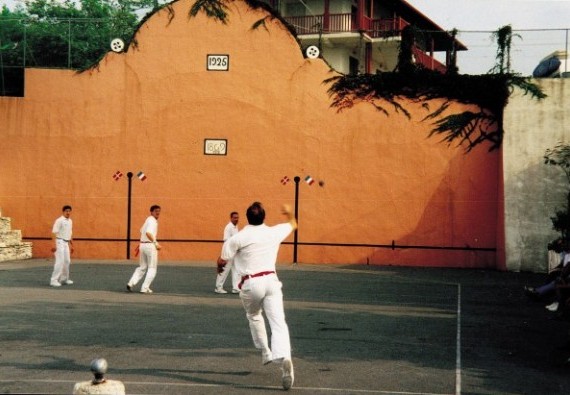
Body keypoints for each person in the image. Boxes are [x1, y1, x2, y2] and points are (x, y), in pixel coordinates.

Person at [217, 201, 297, 390]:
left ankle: (265, 351)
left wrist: (219, 267)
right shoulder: (273, 231)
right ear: (264, 217)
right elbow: (294, 223)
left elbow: (222, 261)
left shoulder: (238, 238)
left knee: (254, 315)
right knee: (278, 322)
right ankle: (285, 357)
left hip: (250, 283)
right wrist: (289, 212)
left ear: (247, 217)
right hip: (271, 280)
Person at [127, 205, 162, 294]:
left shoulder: (148, 219)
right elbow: (148, 233)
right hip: (150, 246)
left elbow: (141, 230)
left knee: (142, 267)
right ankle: (144, 288)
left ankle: (131, 283)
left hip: (142, 245)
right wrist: (155, 243)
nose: (158, 212)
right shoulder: (152, 221)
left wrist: (144, 241)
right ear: (151, 212)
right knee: (152, 268)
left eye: (159, 211)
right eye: (155, 211)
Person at [215, 211, 240, 294]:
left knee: (236, 269)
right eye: (235, 217)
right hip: (228, 251)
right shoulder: (228, 227)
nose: (236, 219)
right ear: (231, 218)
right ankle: (218, 287)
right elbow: (226, 240)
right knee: (224, 269)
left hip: (234, 252)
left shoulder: (236, 227)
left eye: (237, 217)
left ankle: (236, 288)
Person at [50, 205, 74, 287]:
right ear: (63, 212)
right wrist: (53, 245)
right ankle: (53, 280)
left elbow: (70, 233)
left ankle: (64, 279)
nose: (68, 212)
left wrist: (72, 245)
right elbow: (54, 232)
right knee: (60, 261)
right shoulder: (59, 220)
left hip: (66, 243)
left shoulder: (70, 221)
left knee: (67, 261)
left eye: (69, 211)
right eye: (66, 211)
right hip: (59, 242)